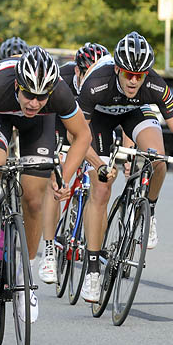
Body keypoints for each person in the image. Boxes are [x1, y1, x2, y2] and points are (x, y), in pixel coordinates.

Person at [0, 46, 91, 322]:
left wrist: (64, 175)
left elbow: (82, 136)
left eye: (42, 97)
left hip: (39, 128)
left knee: (33, 198)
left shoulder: (59, 95)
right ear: (18, 85)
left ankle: (26, 278)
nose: (33, 102)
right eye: (29, 94)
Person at [77, 31, 173, 303]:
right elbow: (78, 137)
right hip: (98, 119)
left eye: (139, 75)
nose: (134, 80)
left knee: (158, 159)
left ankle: (149, 210)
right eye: (128, 74)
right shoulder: (96, 82)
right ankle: (93, 270)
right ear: (117, 69)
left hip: (135, 113)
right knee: (102, 188)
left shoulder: (154, 84)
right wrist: (99, 165)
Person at [38, 42, 109, 284]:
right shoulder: (62, 79)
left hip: (89, 126)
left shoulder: (102, 84)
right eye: (88, 74)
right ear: (78, 71)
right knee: (55, 179)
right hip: (57, 123)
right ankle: (48, 250)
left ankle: (94, 248)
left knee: (102, 184)